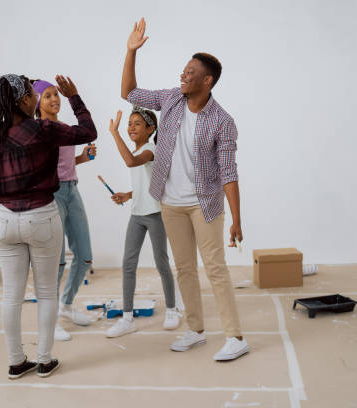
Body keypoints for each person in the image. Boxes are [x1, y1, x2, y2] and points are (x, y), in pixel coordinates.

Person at [120, 18, 250, 361]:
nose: (183, 75)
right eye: (184, 70)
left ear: (207, 81)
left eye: (191, 72)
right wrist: (131, 51)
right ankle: (195, 329)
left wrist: (236, 219)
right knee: (184, 268)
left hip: (204, 205)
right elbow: (129, 93)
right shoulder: (172, 100)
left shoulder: (222, 121)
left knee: (216, 268)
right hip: (170, 202)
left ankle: (236, 337)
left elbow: (229, 172)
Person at [0, 74, 97, 378]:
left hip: (6, 222)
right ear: (24, 100)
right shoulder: (43, 130)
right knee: (45, 292)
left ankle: (16, 362)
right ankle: (44, 359)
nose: (35, 99)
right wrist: (74, 97)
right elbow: (88, 131)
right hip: (42, 216)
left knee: (12, 296)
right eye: (32, 94)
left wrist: (10, 195)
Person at [106, 106, 181, 338]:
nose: (131, 127)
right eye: (130, 124)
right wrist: (128, 195)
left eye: (137, 123)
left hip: (156, 215)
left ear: (151, 129)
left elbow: (130, 162)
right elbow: (146, 182)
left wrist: (114, 132)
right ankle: (127, 318)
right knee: (128, 264)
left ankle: (172, 309)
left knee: (161, 262)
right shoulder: (140, 153)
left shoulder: (150, 150)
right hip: (137, 214)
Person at [32, 79, 97, 342]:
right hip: (53, 195)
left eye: (56, 95)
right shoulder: (38, 130)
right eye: (47, 96)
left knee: (84, 256)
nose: (54, 99)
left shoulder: (66, 129)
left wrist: (84, 157)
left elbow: (67, 162)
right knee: (56, 262)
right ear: (36, 103)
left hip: (73, 191)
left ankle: (67, 306)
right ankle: (51, 319)